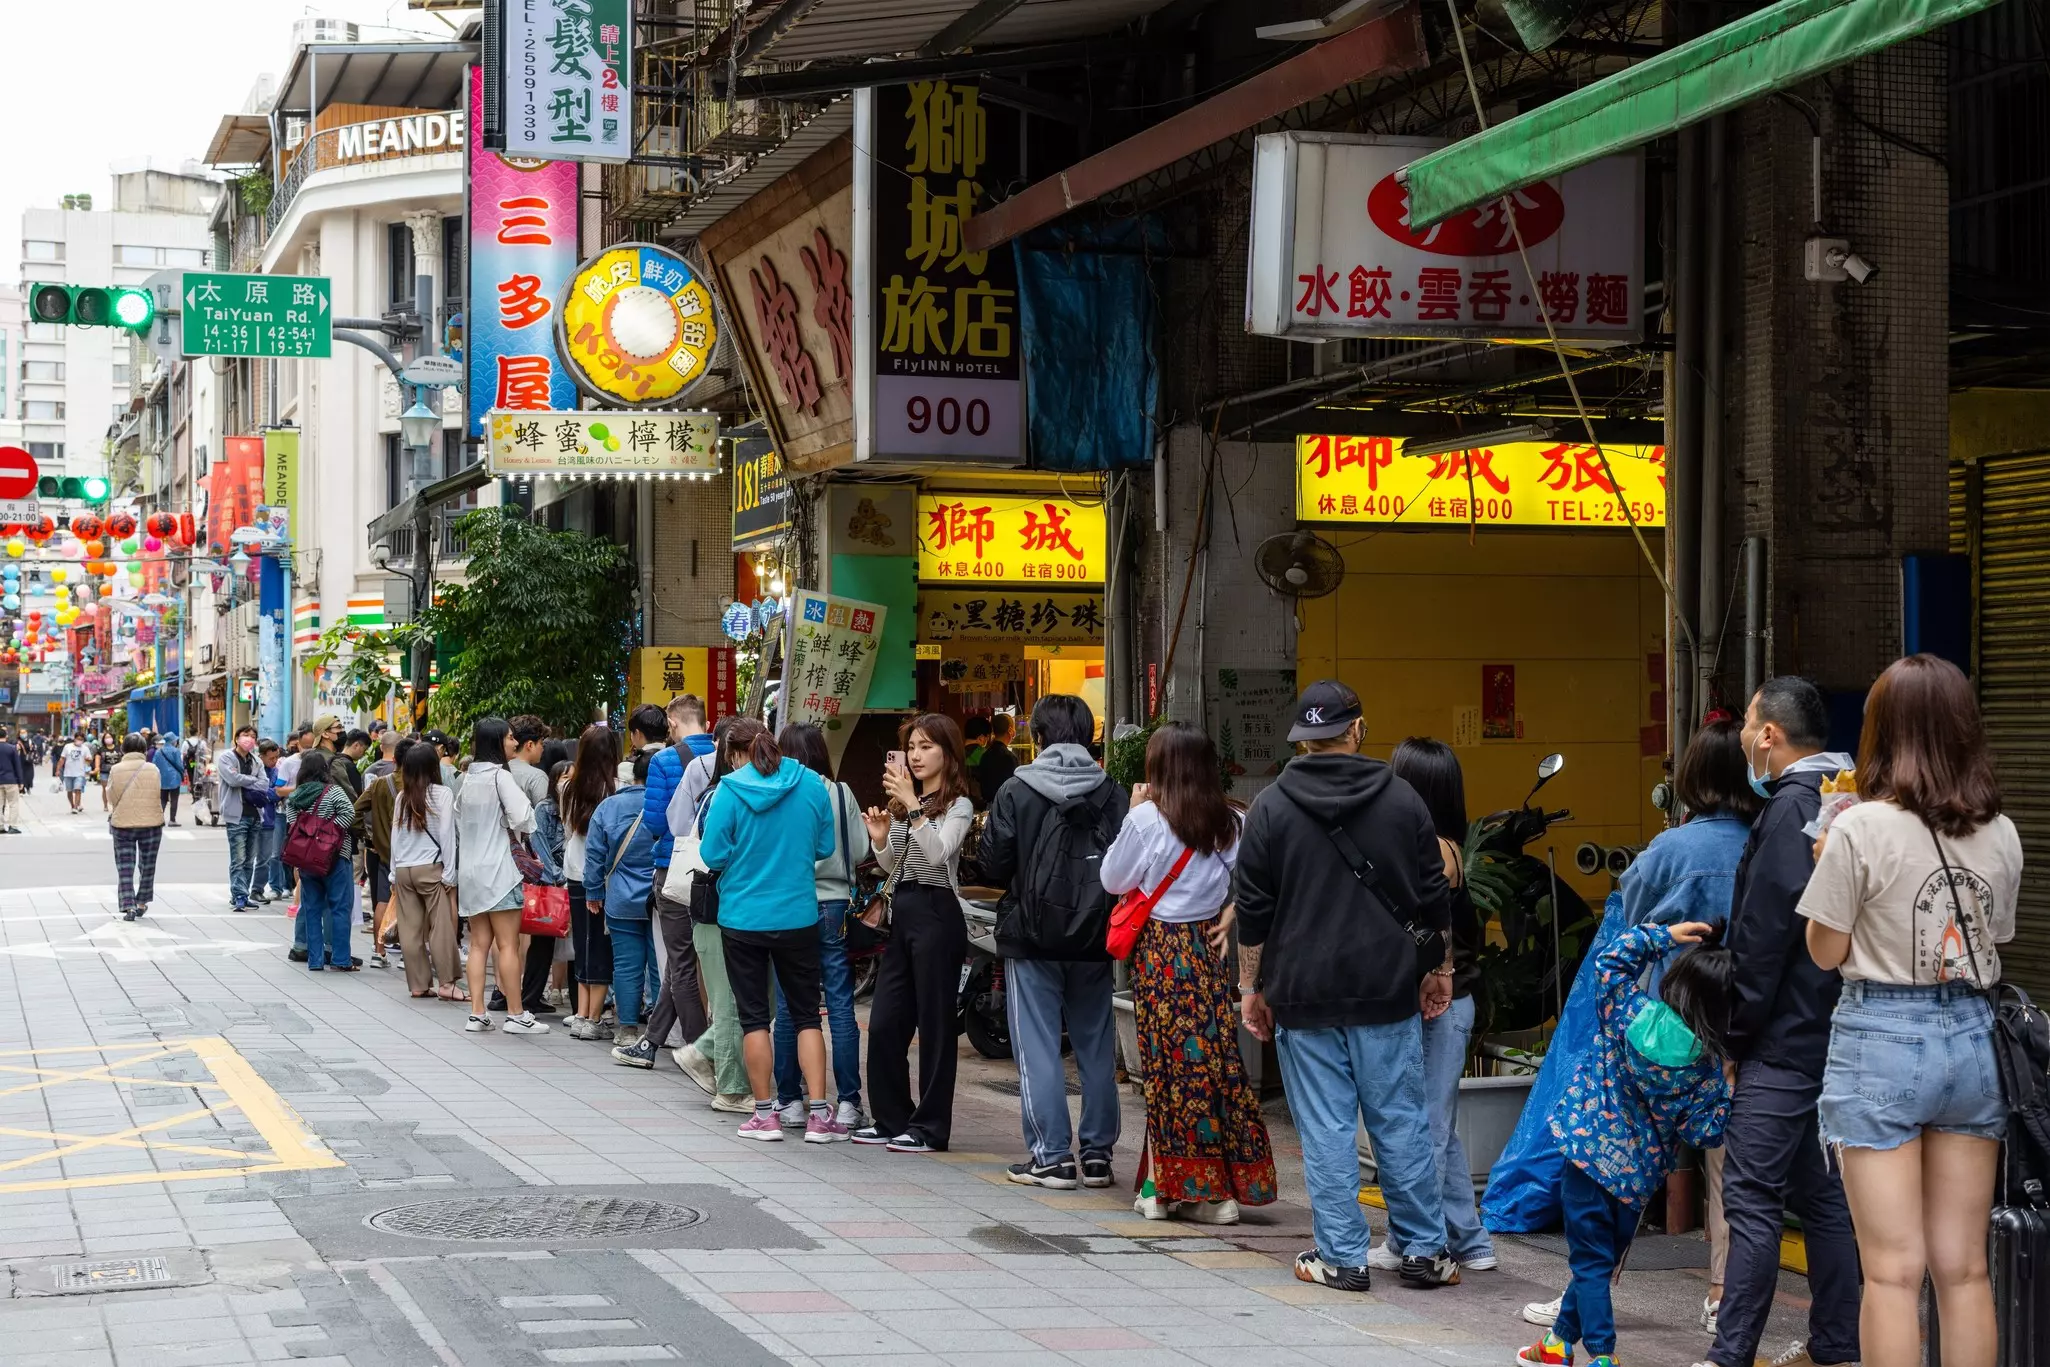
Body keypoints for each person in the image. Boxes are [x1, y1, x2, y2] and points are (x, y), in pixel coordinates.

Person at [1800, 655, 2021, 1367]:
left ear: (1882, 732)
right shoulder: (2002, 832)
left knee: (1893, 1272)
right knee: (1964, 1268)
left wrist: (1826, 858)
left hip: (1882, 1037)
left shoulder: (1859, 827)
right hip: (1973, 1040)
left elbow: (1825, 952)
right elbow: (1997, 941)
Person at [1519, 716, 1765, 1334]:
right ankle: (1719, 1293)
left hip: (1654, 1027)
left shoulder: (1669, 851)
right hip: (1732, 1027)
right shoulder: (1766, 843)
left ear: (1691, 780)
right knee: (1726, 1168)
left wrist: (1662, 933)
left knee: (1615, 1176)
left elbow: (1622, 926)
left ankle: (1592, 1286)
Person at [1233, 679, 1459, 1293]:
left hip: (1302, 995)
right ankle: (1423, 1251)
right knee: (1400, 1120)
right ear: (1358, 728)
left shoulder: (1270, 808)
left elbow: (1253, 910)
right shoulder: (1405, 799)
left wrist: (1250, 987)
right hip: (1387, 990)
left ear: (1302, 739)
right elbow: (1433, 896)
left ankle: (1342, 1256)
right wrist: (1439, 971)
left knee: (1326, 1128)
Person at [1706, 676, 1862, 1367]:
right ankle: (1835, 1345)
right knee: (1824, 1198)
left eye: (1747, 720)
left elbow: (1763, 939)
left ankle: (1730, 1352)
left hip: (1780, 1038)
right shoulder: (1847, 803)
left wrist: (1735, 1036)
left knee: (1752, 1194)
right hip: (1833, 1032)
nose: (1742, 732)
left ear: (1768, 733)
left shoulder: (1792, 809)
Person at [1516, 923, 1733, 1367]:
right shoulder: (1705, 1068)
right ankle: (1557, 1344)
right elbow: (1706, 1133)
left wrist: (1665, 935)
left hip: (1586, 1157)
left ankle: (1602, 1355)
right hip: (1635, 1181)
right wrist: (1730, 1084)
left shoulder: (1627, 1010)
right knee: (1597, 1263)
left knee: (1590, 1264)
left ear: (1677, 982)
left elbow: (1610, 961)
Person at [1102, 721, 1276, 1222]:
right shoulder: (1232, 822)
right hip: (1206, 946)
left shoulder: (1146, 822)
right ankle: (1211, 1190)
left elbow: (1112, 878)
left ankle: (1169, 1191)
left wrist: (1133, 813)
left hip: (1159, 950)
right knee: (1211, 1065)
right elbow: (1261, 878)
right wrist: (1231, 910)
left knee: (1166, 1071)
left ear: (1158, 769)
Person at [979, 696, 1128, 1185]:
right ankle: (1100, 1155)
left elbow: (994, 867)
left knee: (1038, 1047)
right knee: (1095, 1045)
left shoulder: (1015, 790)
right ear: (1088, 736)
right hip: (1094, 936)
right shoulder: (1113, 793)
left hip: (1033, 936)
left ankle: (1052, 1156)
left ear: (1038, 737)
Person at [1366, 737, 1497, 1271]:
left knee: (1422, 1126)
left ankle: (1410, 1239)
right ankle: (1470, 1239)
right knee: (1435, 1124)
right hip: (1447, 1002)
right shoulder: (1444, 845)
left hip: (1440, 1004)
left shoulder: (1433, 853)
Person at [699, 717, 842, 1142]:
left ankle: (765, 1115)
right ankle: (819, 1115)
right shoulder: (812, 785)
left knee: (754, 1018)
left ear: (736, 751)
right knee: (807, 1016)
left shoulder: (729, 790)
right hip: (798, 914)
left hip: (742, 918)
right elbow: (824, 847)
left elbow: (712, 853)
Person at [854, 714, 977, 1153]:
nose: (916, 755)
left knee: (936, 1027)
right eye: (912, 747)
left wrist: (915, 807)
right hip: (904, 910)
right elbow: (896, 867)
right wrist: (882, 838)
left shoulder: (958, 804)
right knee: (885, 1021)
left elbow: (940, 855)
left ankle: (930, 1128)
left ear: (948, 752)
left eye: (926, 746)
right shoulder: (908, 805)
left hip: (938, 914)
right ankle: (891, 1118)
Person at [769, 723, 869, 1132]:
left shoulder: (776, 791)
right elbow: (861, 849)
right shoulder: (840, 792)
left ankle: (790, 1100)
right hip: (833, 904)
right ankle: (847, 1103)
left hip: (789, 903)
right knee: (841, 1004)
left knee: (791, 1005)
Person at [662, 716, 751, 1111]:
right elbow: (714, 853)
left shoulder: (718, 792)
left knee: (734, 998)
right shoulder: (722, 795)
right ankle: (731, 1088)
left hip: (723, 912)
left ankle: (703, 1054)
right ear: (732, 755)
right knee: (729, 1001)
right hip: (716, 911)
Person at [633, 696, 720, 1073]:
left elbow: (656, 822)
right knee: (690, 958)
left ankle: (700, 1049)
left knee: (681, 960)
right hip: (717, 870)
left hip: (675, 869)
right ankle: (651, 1041)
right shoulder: (726, 755)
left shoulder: (664, 761)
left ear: (672, 721)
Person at [454, 717, 547, 1034]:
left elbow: (458, 823)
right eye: (509, 738)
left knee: (479, 944)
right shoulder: (500, 778)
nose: (513, 742)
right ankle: (517, 1014)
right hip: (500, 871)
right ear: (497, 742)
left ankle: (477, 1013)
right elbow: (524, 817)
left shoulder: (467, 778)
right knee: (508, 945)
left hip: (471, 872)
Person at [585, 746, 660, 1052]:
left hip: (621, 897)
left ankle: (627, 1028)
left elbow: (594, 854)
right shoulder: (667, 804)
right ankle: (661, 1028)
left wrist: (593, 891)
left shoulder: (608, 807)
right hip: (659, 897)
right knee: (660, 965)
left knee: (627, 966)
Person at [491, 715, 558, 1017]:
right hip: (528, 864)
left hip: (497, 861)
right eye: (541, 744)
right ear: (529, 744)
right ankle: (524, 995)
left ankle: (501, 990)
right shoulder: (536, 777)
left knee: (501, 934)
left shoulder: (493, 773)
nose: (542, 750)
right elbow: (540, 827)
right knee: (529, 930)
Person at [388, 739, 463, 1000]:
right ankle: (447, 984)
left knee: (410, 931)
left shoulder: (402, 797)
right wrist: (450, 873)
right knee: (440, 927)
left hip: (404, 870)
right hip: (430, 868)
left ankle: (418, 984)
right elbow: (446, 836)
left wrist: (392, 871)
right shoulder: (442, 794)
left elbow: (395, 836)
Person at [560, 725, 619, 1040]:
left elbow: (569, 832)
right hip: (602, 875)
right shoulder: (616, 789)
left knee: (583, 940)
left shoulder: (568, 787)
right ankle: (593, 1017)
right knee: (600, 944)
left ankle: (581, 1012)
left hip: (574, 870)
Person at [284, 749, 360, 973]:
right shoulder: (334, 791)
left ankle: (315, 960)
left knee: (312, 909)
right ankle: (340, 959)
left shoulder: (296, 796)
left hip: (307, 859)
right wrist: (329, 835)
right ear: (324, 770)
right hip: (336, 857)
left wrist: (312, 837)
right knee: (339, 908)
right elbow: (349, 813)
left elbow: (292, 824)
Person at [355, 738, 407, 970]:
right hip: (413, 855)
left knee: (382, 902)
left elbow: (355, 810)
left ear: (394, 759)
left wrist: (368, 835)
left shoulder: (378, 783)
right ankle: (409, 955)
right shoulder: (419, 785)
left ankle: (379, 952)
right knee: (413, 905)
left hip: (382, 852)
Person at [107, 733, 167, 921]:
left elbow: (111, 796)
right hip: (151, 823)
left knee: (125, 866)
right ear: (143, 749)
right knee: (148, 865)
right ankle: (141, 902)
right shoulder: (153, 769)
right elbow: (157, 793)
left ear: (123, 749)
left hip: (123, 823)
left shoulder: (116, 769)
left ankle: (128, 906)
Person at [216, 726, 269, 912]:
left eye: (253, 736)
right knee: (238, 858)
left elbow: (264, 783)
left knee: (249, 859)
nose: (249, 739)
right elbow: (232, 779)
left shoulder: (256, 761)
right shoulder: (226, 758)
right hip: (235, 815)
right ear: (237, 738)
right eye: (246, 735)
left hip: (255, 815)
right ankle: (238, 895)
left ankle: (243, 894)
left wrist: (245, 779)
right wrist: (251, 780)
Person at [977, 711, 1020, 801]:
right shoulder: (1009, 757)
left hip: (988, 805)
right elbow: (1015, 789)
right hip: (1005, 806)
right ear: (1010, 731)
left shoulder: (985, 755)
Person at [0, 725, 30, 834]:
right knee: (13, 804)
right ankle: (13, 826)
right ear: (6, 736)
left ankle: (1, 826)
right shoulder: (11, 748)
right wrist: (21, 781)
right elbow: (17, 765)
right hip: (10, 780)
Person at [151, 733, 186, 825]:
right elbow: (179, 764)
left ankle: (159, 819)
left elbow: (154, 765)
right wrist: (183, 773)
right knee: (174, 799)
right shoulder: (176, 751)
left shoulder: (158, 751)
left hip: (162, 778)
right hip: (174, 778)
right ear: (173, 741)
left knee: (163, 799)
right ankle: (172, 820)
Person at [60, 732, 90, 814]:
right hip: (68, 772)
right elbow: (62, 758)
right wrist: (57, 770)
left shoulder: (85, 748)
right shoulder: (67, 747)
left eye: (81, 739)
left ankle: (76, 807)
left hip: (80, 773)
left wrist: (88, 760)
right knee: (69, 791)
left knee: (78, 789)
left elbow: (89, 759)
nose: (79, 741)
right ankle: (72, 805)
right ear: (74, 738)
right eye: (78, 739)